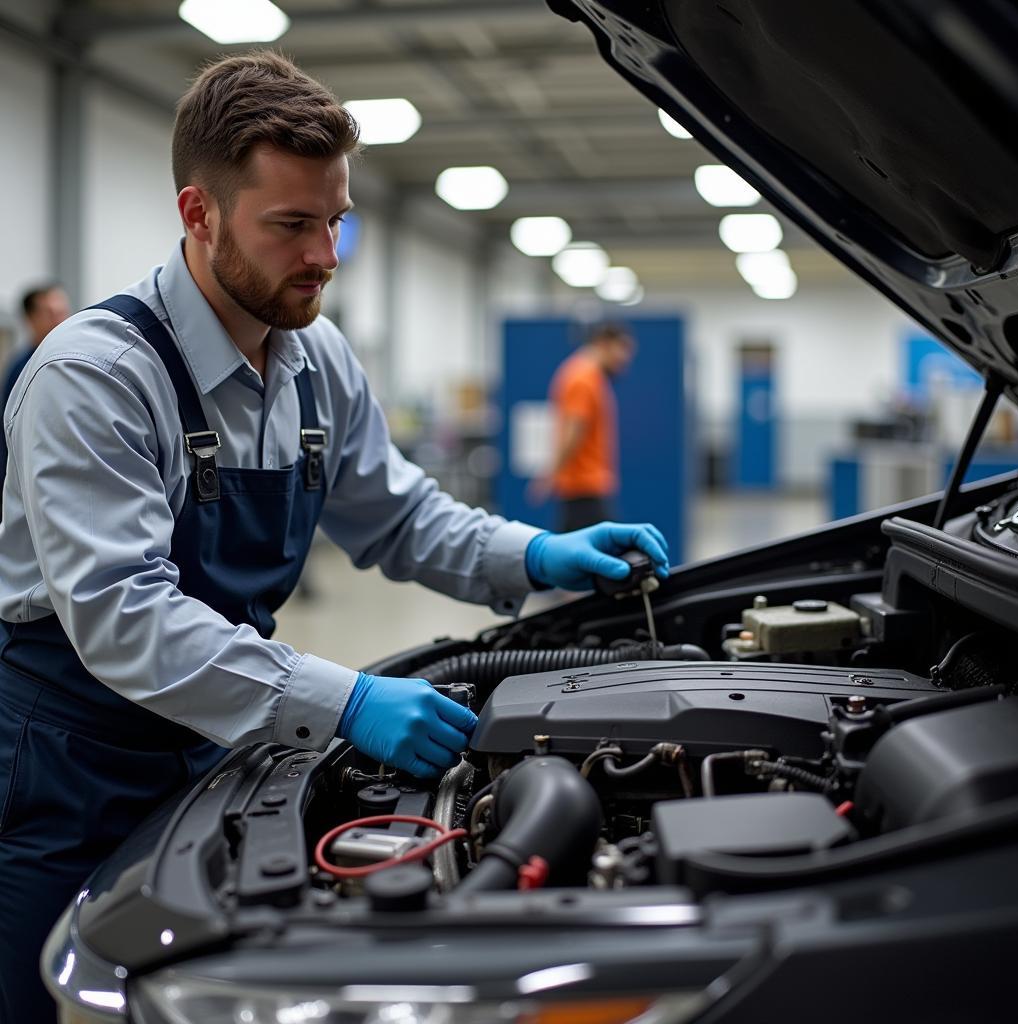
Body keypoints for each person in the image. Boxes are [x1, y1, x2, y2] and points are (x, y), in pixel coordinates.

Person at [0, 52, 668, 1021]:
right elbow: (121, 614)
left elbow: (398, 513)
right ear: (200, 212)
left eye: (335, 220)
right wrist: (344, 698)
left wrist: (532, 553)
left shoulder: (315, 359)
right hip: (70, 750)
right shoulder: (95, 374)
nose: (324, 255)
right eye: (291, 225)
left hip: (208, 731)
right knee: (44, 995)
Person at [533, 322, 636, 532]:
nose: (625, 359)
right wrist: (550, 474)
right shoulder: (582, 378)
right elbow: (574, 431)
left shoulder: (589, 376)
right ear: (604, 343)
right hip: (584, 488)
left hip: (586, 487)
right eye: (622, 349)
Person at [0, 284, 71, 487]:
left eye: (62, 312)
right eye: (50, 313)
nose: (60, 320)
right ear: (30, 319)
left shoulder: (69, 361)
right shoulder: (24, 368)